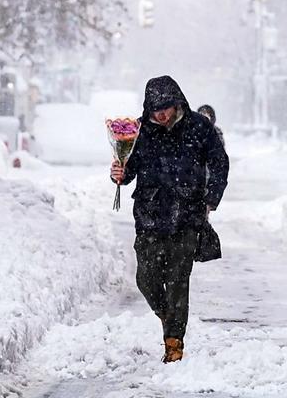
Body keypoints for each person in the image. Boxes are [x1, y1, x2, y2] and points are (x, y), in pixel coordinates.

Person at [110, 75, 229, 363]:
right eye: (155, 110)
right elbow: (130, 169)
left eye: (166, 108)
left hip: (186, 215)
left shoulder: (199, 128)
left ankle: (174, 342)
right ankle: (168, 316)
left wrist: (211, 199)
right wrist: (120, 173)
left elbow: (219, 162)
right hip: (149, 215)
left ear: (177, 103)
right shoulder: (139, 132)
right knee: (146, 278)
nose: (161, 115)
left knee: (178, 280)